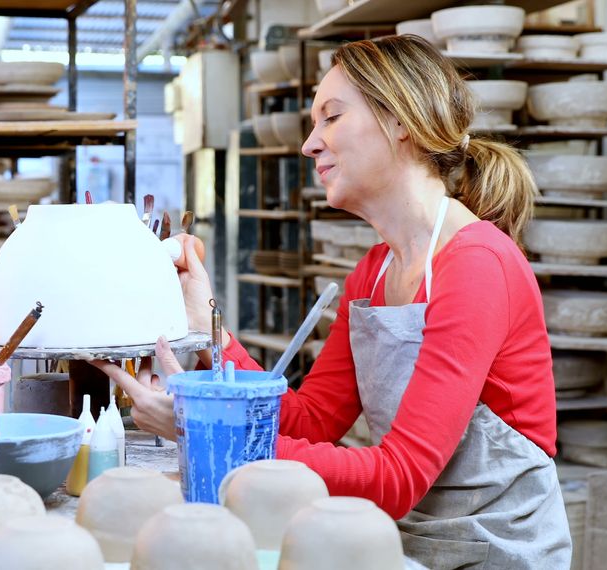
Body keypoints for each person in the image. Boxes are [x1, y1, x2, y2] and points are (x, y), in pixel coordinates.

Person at [92, 34, 572, 569]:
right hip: (405, 541)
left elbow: (399, 477)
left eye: (332, 118)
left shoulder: (477, 265)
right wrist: (210, 332)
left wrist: (202, 431)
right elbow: (312, 420)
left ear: (401, 122)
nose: (309, 144)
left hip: (498, 551)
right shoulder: (374, 272)